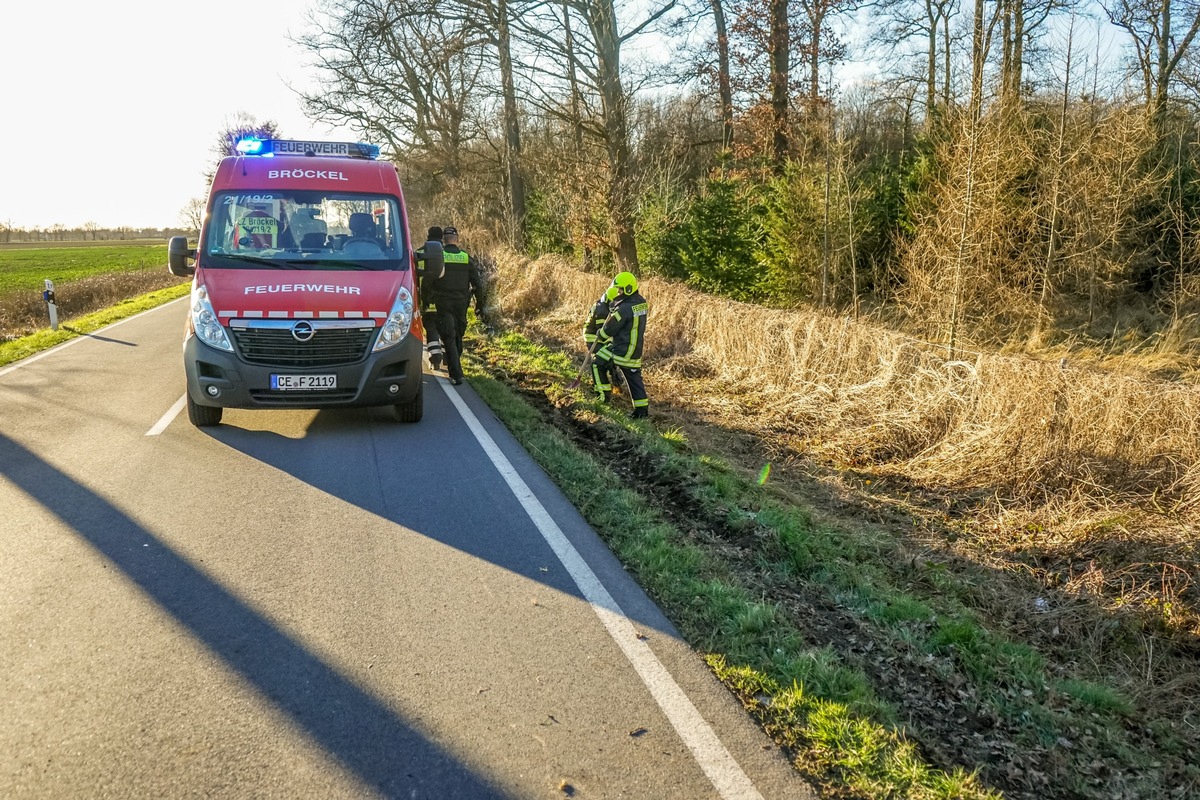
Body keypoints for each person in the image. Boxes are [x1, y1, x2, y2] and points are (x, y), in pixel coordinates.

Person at [431, 225, 485, 386]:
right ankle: (456, 373)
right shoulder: (466, 258)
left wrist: (428, 298)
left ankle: (452, 361)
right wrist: (480, 305)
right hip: (461, 303)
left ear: (443, 240)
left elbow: (430, 281)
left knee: (451, 336)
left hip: (443, 303)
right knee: (455, 335)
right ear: (457, 239)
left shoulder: (439, 257)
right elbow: (477, 284)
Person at [592, 271, 649, 418]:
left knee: (597, 362)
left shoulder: (623, 309)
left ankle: (603, 396)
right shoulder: (641, 303)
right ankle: (641, 411)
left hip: (621, 351)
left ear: (628, 289)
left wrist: (600, 334)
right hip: (635, 350)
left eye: (620, 289)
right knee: (634, 379)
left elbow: (610, 329)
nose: (618, 292)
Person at [415, 226, 445, 371]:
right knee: (447, 329)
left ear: (427, 236)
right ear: (442, 238)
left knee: (431, 328)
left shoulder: (419, 253)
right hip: (447, 299)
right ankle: (448, 358)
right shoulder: (447, 253)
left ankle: (436, 359)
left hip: (426, 300)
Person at [582, 292, 616, 402]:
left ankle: (613, 380)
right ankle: (603, 395)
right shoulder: (603, 311)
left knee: (607, 359)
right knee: (599, 362)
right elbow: (603, 332)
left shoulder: (604, 303)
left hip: (598, 337)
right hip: (594, 340)